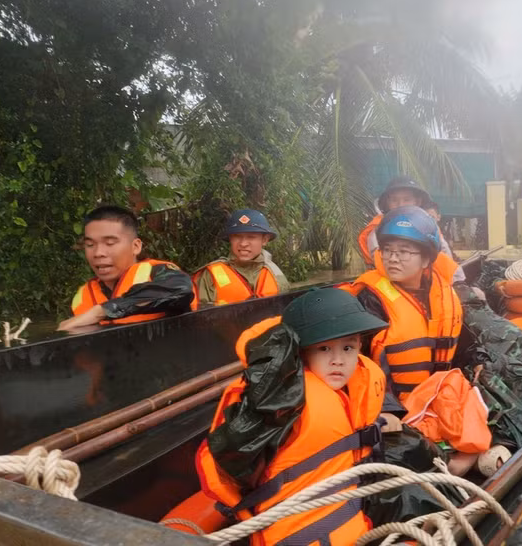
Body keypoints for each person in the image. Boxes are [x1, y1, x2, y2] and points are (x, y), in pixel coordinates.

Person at [196, 288, 389, 545]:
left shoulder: (357, 388)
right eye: (323, 349)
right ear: (300, 354)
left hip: (349, 524)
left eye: (347, 347)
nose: (338, 360)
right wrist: (261, 405)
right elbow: (234, 456)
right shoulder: (285, 402)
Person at [344, 206, 463, 408]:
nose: (393, 258)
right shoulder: (370, 299)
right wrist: (388, 409)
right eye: (387, 250)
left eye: (404, 251)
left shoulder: (444, 294)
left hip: (439, 399)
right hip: (396, 407)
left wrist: (479, 362)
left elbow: (460, 347)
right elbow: (360, 363)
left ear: (426, 259)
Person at [60, 205, 195, 330]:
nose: (98, 253)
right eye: (90, 245)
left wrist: (102, 311)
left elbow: (181, 290)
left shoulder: (158, 273)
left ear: (135, 246)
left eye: (110, 243)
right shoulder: (83, 296)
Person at [358, 176, 466, 283]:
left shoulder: (427, 225)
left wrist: (457, 282)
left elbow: (444, 255)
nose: (400, 205)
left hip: (426, 281)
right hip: (390, 283)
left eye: (407, 199)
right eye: (394, 200)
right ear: (387, 203)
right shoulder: (378, 228)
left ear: (417, 202)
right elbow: (381, 262)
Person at [194, 209, 289, 306]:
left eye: (251, 237)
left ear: (264, 240)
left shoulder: (275, 274)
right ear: (230, 239)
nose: (243, 243)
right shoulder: (209, 276)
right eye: (237, 236)